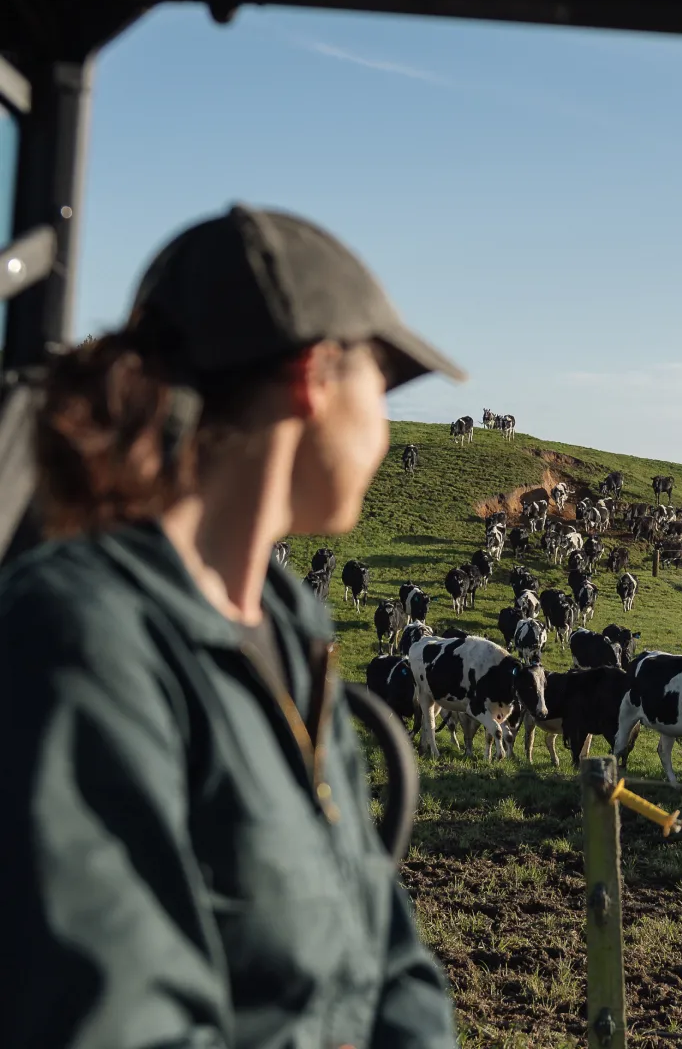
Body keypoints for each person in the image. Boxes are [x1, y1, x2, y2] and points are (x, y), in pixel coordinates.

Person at [0, 205, 465, 1048]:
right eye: (384, 384)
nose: (386, 427)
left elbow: (392, 960)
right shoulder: (80, 640)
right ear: (314, 379)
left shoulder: (295, 632)